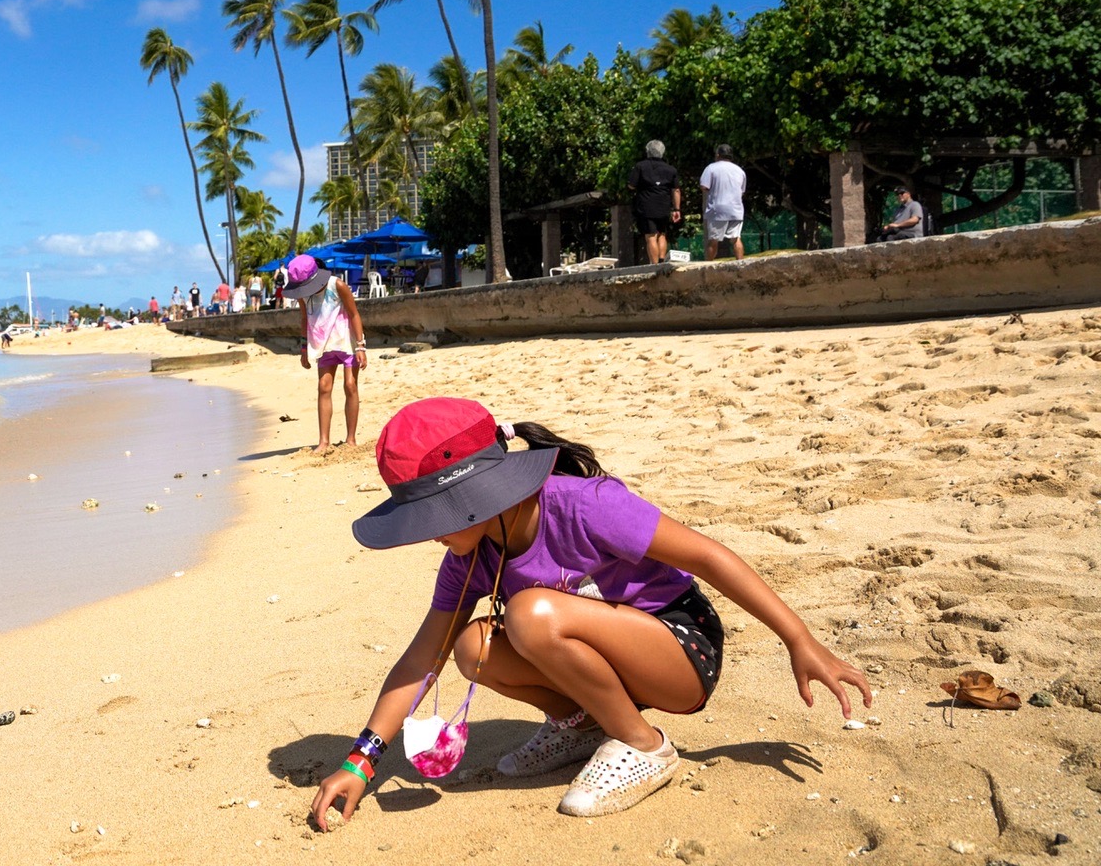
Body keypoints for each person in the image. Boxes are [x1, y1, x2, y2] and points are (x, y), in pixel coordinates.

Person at [310, 397, 870, 826]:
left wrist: (798, 638)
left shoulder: (584, 505)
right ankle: (582, 726)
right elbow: (421, 658)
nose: (425, 535)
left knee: (530, 614)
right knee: (472, 645)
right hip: (601, 659)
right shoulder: (470, 556)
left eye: (432, 517)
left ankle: (643, 746)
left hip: (680, 649)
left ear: (476, 494)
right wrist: (362, 759)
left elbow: (708, 556)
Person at [280, 255, 367, 456]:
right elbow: (304, 319)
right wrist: (303, 348)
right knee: (323, 387)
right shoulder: (303, 295)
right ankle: (323, 441)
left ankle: (351, 439)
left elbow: (354, 314)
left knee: (350, 385)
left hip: (347, 341)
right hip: (323, 344)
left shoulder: (337, 285)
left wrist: (361, 346)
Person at [626, 141, 681, 265]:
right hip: (664, 205)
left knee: (650, 236)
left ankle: (654, 264)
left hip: (646, 205)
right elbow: (676, 190)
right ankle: (661, 261)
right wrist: (677, 209)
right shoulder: (671, 169)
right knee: (662, 234)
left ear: (648, 151)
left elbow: (631, 186)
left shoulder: (640, 166)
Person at [698, 144, 747, 261]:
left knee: (713, 241)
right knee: (736, 239)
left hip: (718, 209)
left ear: (718, 155)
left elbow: (704, 186)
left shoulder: (711, 168)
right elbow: (742, 191)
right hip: (736, 209)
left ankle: (708, 267)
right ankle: (741, 265)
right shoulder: (739, 170)